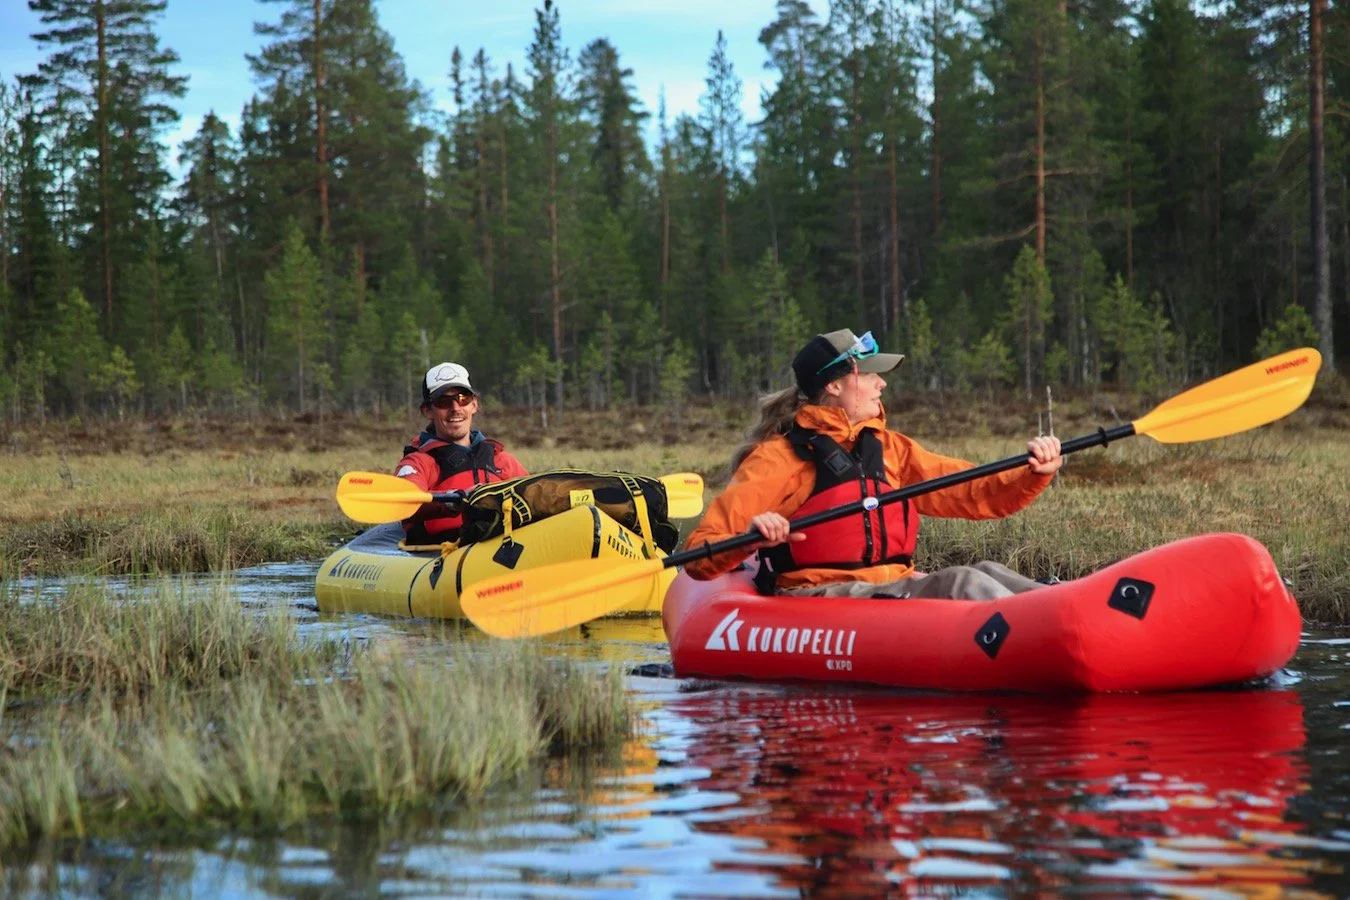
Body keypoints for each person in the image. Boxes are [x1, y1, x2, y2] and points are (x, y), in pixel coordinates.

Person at [683, 329, 1063, 600]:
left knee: (987, 571)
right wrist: (753, 534)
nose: (881, 384)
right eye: (869, 374)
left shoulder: (891, 448)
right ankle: (1043, 632)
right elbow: (702, 552)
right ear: (834, 386)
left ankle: (1066, 609)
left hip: (890, 584)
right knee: (961, 581)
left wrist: (1033, 473)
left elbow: (969, 489)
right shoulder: (778, 458)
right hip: (822, 592)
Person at [395, 362, 528, 543]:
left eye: (462, 398)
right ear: (428, 411)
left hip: (501, 547)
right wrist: (453, 502)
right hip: (439, 552)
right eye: (443, 401)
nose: (456, 408)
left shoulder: (503, 461)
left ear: (473, 405)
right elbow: (405, 504)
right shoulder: (416, 463)